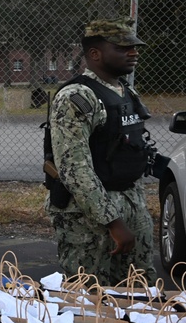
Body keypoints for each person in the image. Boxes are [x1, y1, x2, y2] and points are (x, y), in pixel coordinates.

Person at [46, 18, 156, 285]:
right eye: (122, 48)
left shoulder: (124, 91)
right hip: (90, 219)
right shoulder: (77, 97)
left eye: (133, 47)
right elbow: (75, 170)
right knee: (91, 296)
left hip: (129, 203)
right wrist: (113, 223)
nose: (133, 53)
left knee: (138, 291)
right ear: (94, 54)